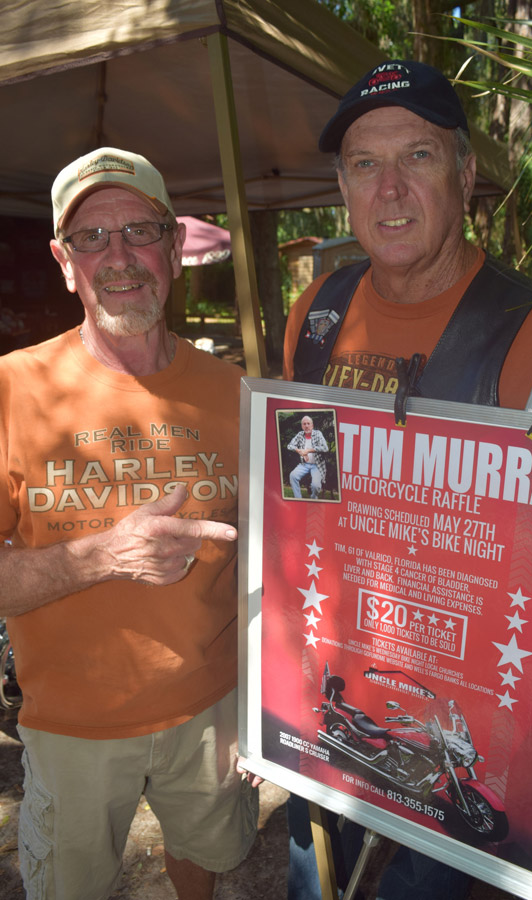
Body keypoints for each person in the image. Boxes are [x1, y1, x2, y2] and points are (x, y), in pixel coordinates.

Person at [282, 60, 532, 900]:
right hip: (331, 683)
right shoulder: (317, 314)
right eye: (364, 164)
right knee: (314, 876)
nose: (389, 189)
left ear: (464, 174)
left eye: (416, 156)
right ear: (342, 187)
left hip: (464, 717)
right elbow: (299, 497)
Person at [0, 148, 259, 900]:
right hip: (71, 728)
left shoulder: (238, 393)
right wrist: (104, 555)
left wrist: (263, 700)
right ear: (64, 262)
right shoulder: (13, 389)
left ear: (173, 249)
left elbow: (275, 557)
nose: (118, 257)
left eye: (140, 231)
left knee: (204, 863)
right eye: (90, 237)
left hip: (212, 710)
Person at [287, 415, 329, 499]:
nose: (306, 426)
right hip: (304, 464)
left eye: (308, 423)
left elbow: (325, 448)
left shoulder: (318, 434)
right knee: (293, 476)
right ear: (302, 426)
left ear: (312, 425)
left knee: (316, 486)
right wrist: (300, 451)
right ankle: (298, 499)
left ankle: (313, 499)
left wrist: (308, 451)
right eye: (304, 424)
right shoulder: (300, 434)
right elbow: (290, 446)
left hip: (317, 465)